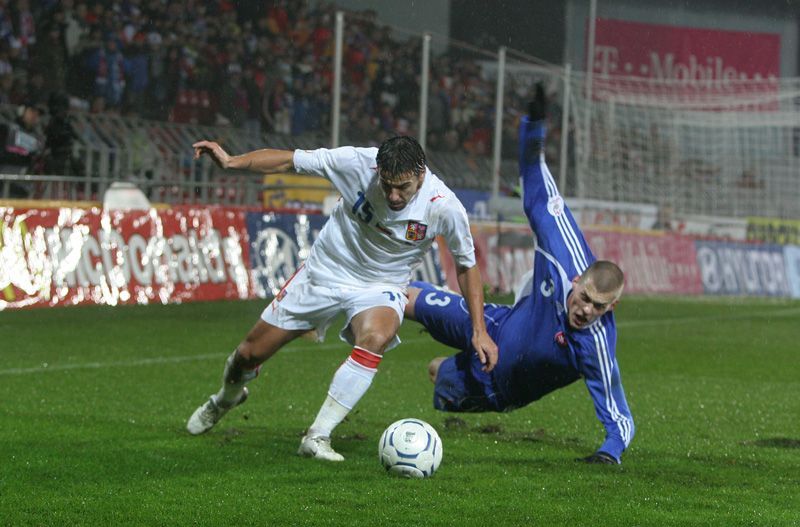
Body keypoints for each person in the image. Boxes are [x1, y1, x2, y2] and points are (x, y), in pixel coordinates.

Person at [186, 135, 498, 461]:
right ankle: (225, 398)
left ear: (421, 174)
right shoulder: (355, 163)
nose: (393, 195)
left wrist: (479, 330)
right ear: (377, 169)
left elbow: (466, 266)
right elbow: (288, 159)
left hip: (380, 285)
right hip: (324, 272)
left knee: (377, 336)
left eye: (402, 188)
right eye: (386, 185)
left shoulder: (444, 206)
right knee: (249, 354)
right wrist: (231, 161)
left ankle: (317, 436)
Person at [405, 85, 634, 464]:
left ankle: (447, 367)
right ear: (577, 281)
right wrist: (535, 124)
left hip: (497, 385)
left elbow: (618, 413)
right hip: (493, 322)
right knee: (403, 295)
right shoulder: (565, 253)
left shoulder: (596, 345)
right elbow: (537, 184)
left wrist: (609, 453)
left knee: (436, 372)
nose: (586, 311)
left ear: (612, 307)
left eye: (598, 308)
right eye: (584, 298)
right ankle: (332, 302)